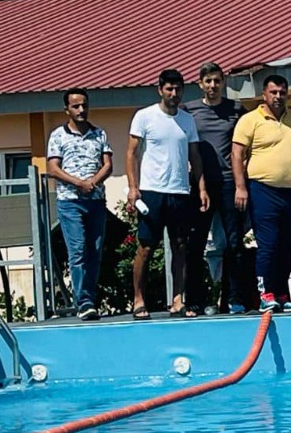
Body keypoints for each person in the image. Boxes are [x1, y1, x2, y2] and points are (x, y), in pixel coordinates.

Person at [125, 69, 208, 319]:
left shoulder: (187, 120)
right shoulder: (144, 116)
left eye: (178, 89)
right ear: (160, 90)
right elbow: (131, 153)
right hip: (152, 191)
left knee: (180, 246)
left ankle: (177, 299)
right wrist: (132, 187)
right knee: (146, 248)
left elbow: (195, 155)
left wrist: (201, 187)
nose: (174, 94)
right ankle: (139, 299)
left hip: (180, 191)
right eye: (169, 89)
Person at [232, 73, 291, 313]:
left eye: (282, 92)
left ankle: (282, 293)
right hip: (262, 189)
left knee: (287, 246)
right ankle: (265, 293)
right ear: (264, 94)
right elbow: (237, 154)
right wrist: (241, 187)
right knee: (268, 244)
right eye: (273, 92)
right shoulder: (250, 119)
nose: (278, 97)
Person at [183, 61, 255, 315]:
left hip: (228, 183)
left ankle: (235, 299)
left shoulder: (236, 110)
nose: (213, 86)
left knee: (234, 243)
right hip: (200, 184)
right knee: (196, 244)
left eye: (217, 81)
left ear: (223, 83)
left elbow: (249, 141)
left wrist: (241, 181)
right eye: (208, 81)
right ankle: (194, 300)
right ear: (200, 84)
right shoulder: (188, 110)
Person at [45, 88, 112, 320]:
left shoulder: (99, 134)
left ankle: (91, 299)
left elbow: (107, 164)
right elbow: (53, 168)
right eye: (76, 106)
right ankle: (83, 302)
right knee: (78, 251)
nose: (81, 110)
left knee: (94, 251)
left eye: (84, 105)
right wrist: (78, 183)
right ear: (67, 109)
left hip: (95, 201)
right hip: (70, 202)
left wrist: (92, 182)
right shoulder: (58, 136)